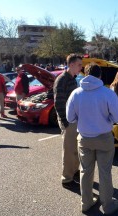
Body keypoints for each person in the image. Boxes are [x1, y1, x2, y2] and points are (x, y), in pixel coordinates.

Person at [66, 62, 118, 215]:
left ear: (85, 74)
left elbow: (70, 118)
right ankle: (107, 205)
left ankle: (86, 202)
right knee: (105, 172)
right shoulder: (107, 93)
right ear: (100, 75)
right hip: (104, 137)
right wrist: (109, 119)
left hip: (84, 138)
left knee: (85, 171)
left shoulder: (76, 93)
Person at [53, 54, 82, 190]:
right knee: (69, 150)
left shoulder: (72, 79)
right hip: (68, 121)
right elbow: (58, 102)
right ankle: (67, 178)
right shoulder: (62, 80)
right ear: (71, 65)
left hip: (74, 120)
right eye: (79, 65)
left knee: (75, 149)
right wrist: (65, 122)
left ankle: (75, 172)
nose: (81, 67)